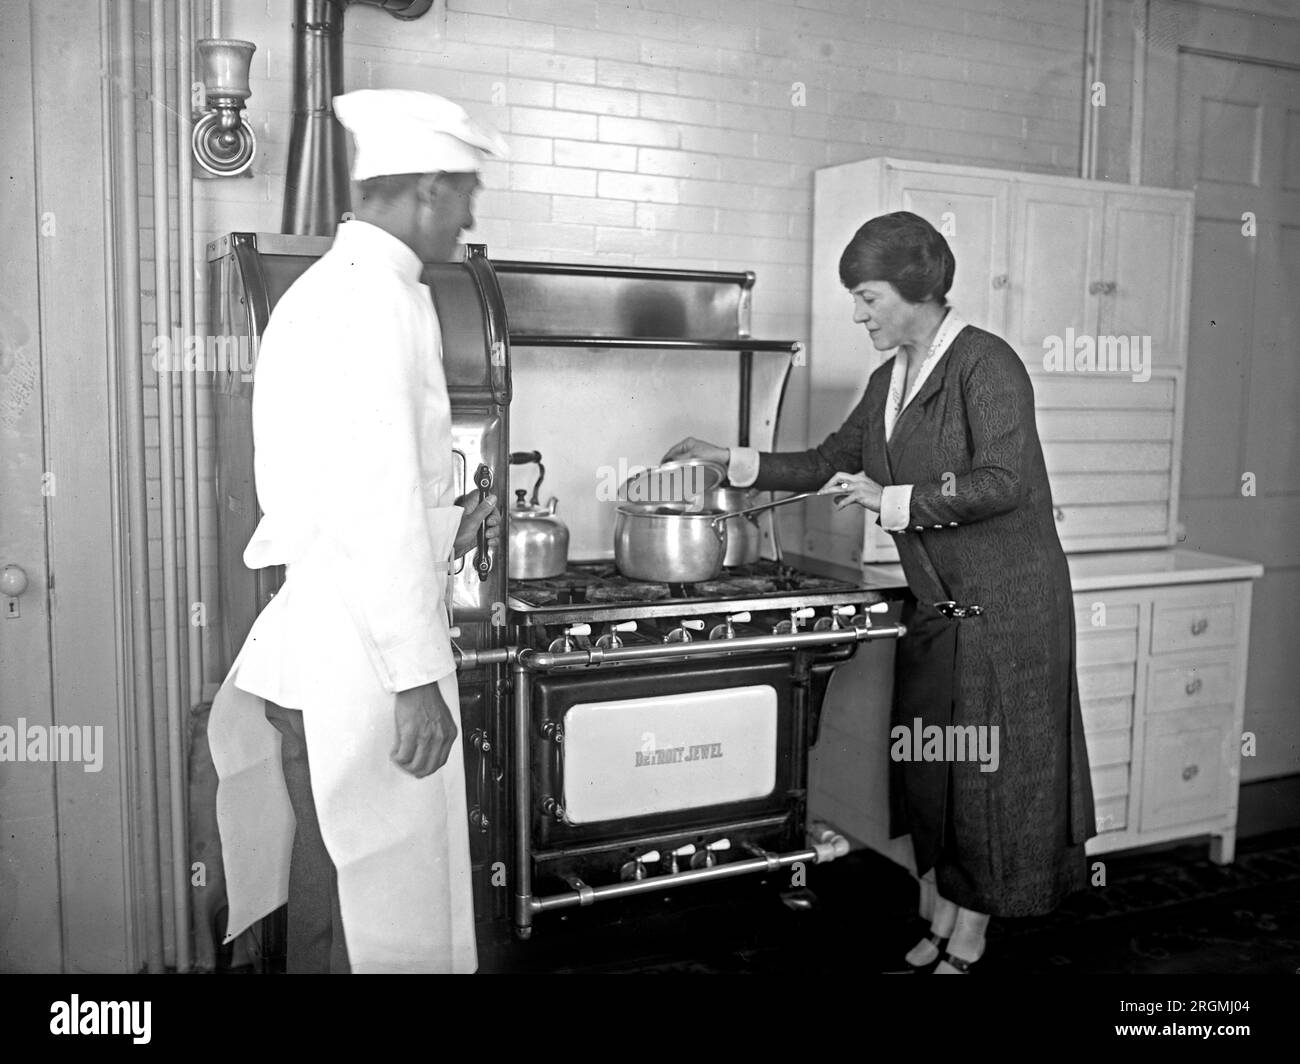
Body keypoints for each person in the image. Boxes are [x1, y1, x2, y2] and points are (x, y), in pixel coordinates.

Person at [664, 211, 1095, 974]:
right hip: (942, 608)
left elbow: (1003, 481)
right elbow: (828, 459)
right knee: (941, 770)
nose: (858, 314)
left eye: (867, 297)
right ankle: (947, 919)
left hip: (1009, 614)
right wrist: (724, 458)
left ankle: (969, 935)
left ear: (917, 289)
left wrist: (890, 500)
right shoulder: (890, 379)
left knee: (987, 781)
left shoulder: (985, 365)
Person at [208, 89, 506, 974]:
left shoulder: (344, 291)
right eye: (464, 197)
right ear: (425, 192)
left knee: (338, 875)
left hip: (329, 645)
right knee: (381, 898)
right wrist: (416, 681)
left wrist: (448, 523)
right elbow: (372, 510)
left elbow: (365, 491)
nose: (466, 219)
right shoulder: (369, 302)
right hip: (359, 664)